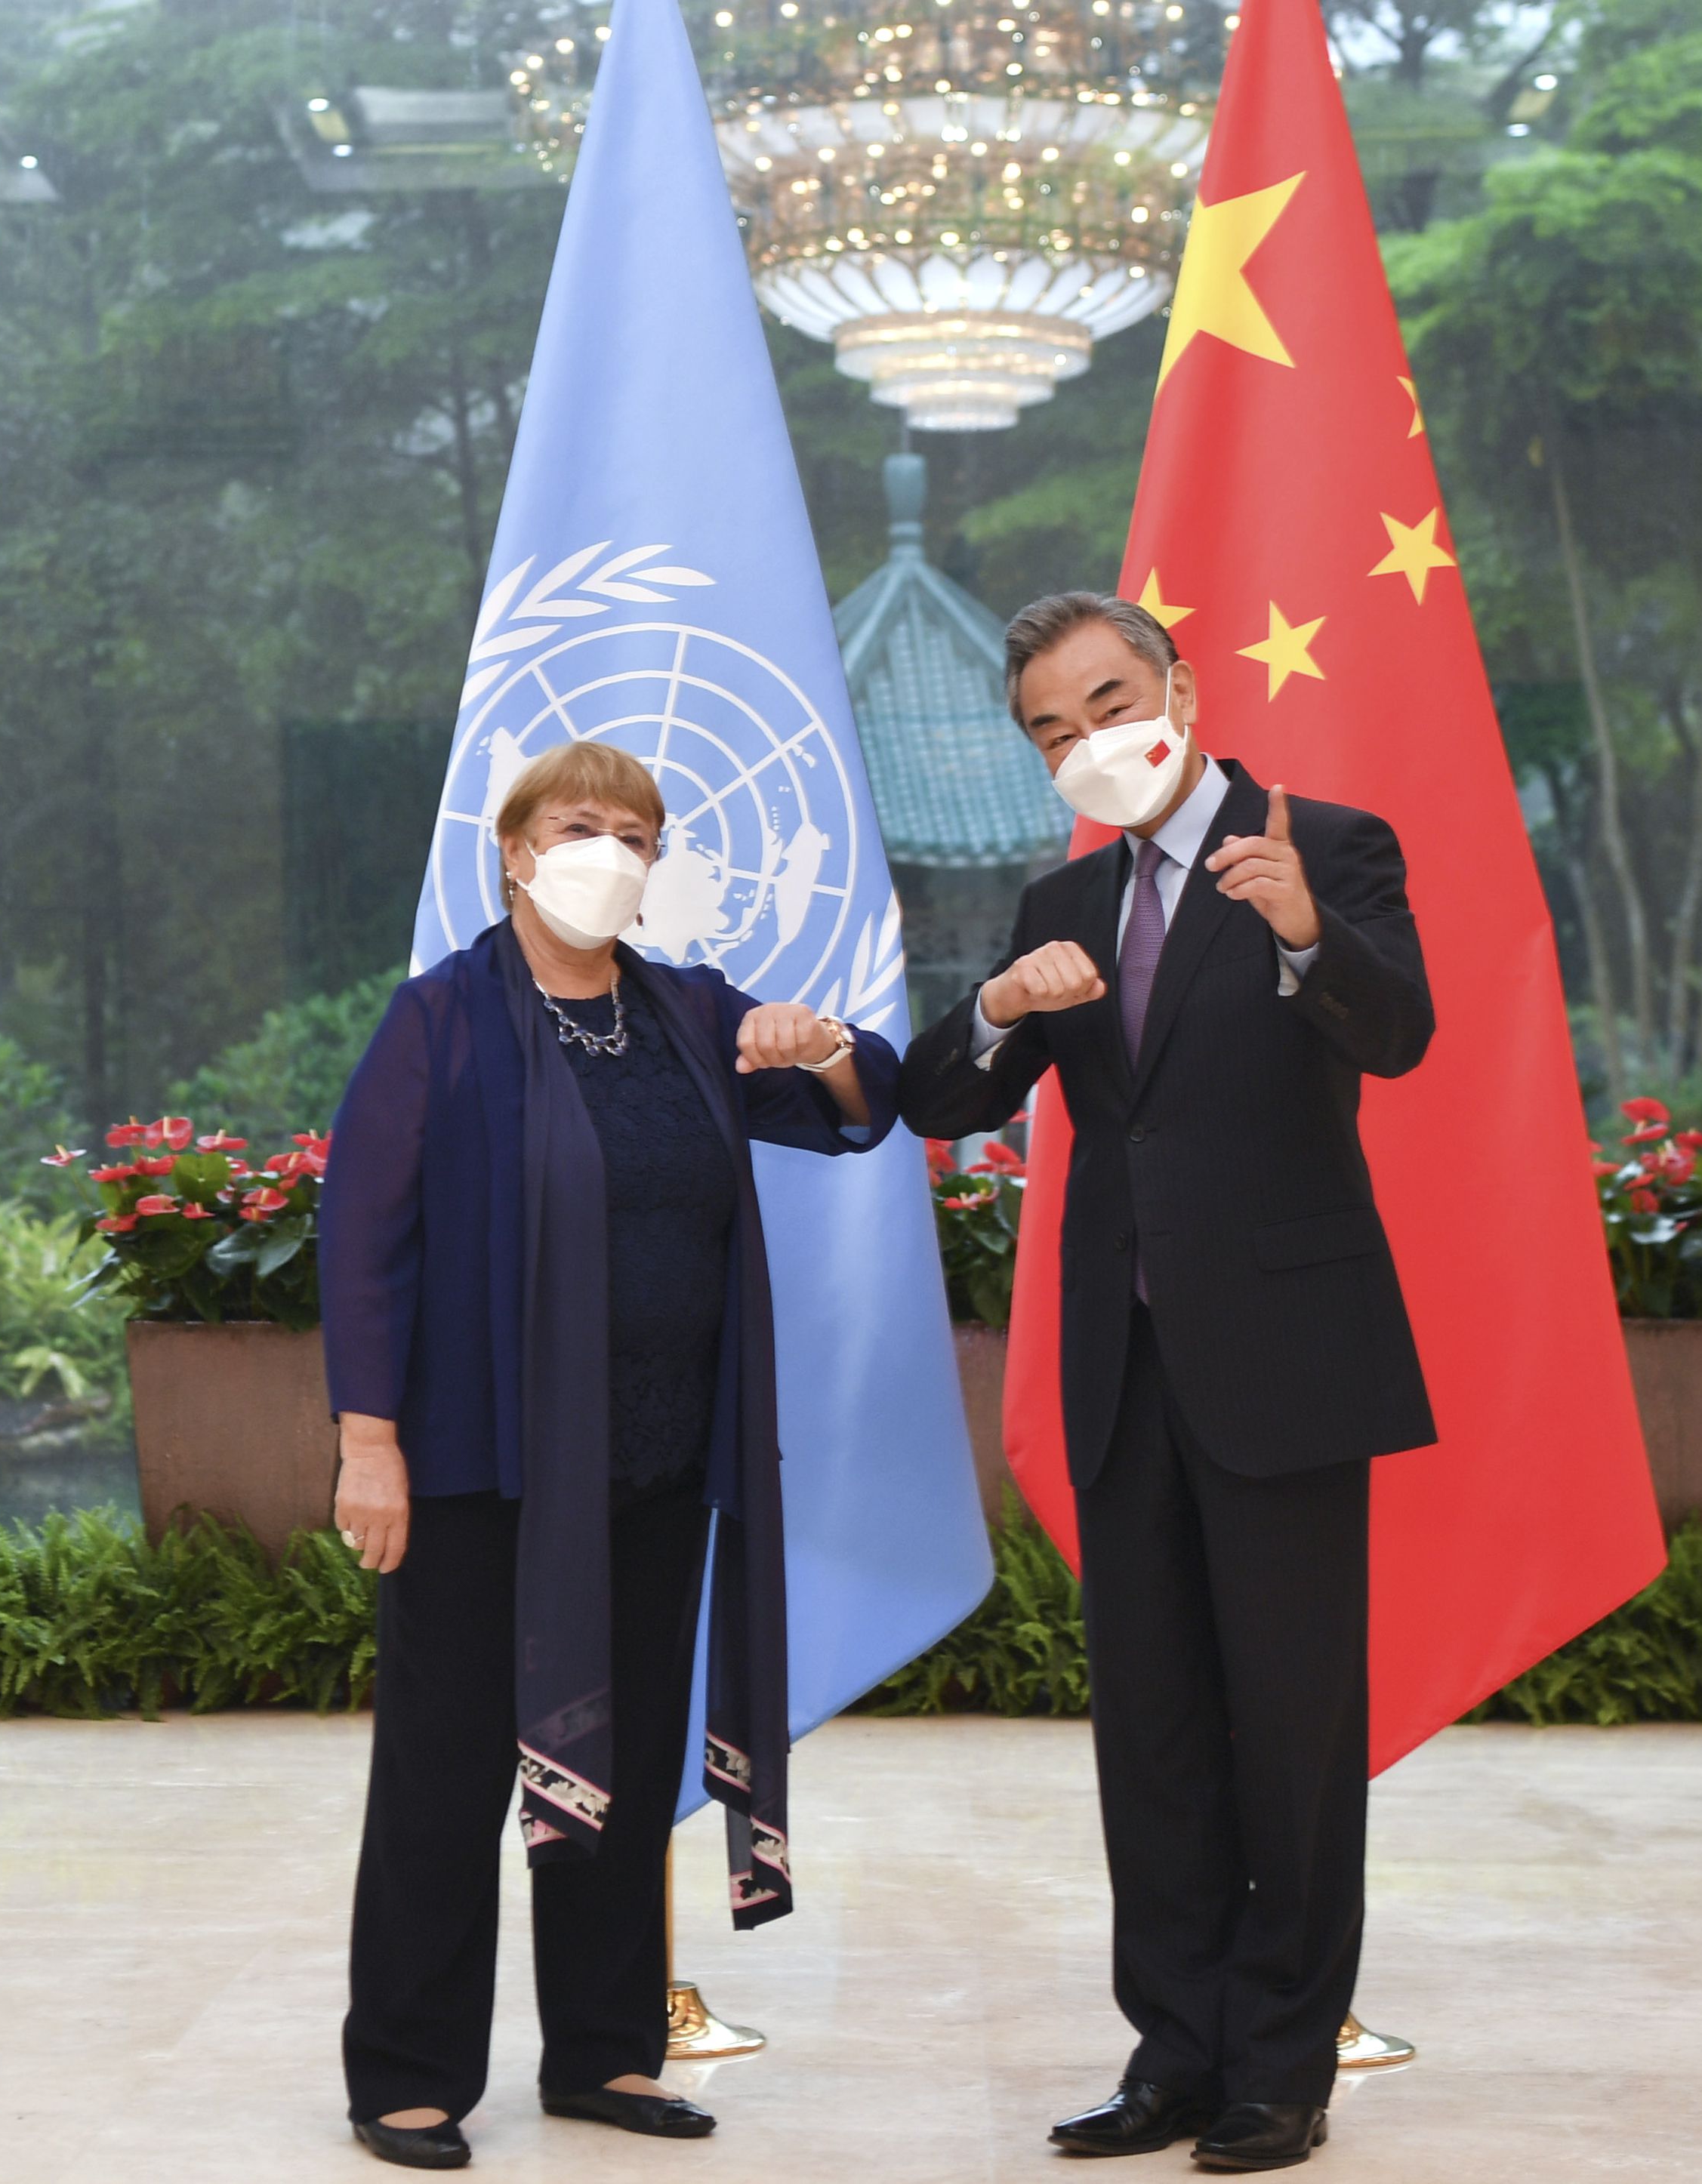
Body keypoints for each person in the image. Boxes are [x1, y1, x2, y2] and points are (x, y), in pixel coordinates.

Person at [897, 593, 1435, 2174]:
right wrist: (999, 1006)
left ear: (1180, 689)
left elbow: (1399, 1036)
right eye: (1052, 732)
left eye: (1107, 702)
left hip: (1284, 1361)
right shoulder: (1055, 893)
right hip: (1120, 1368)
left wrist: (1299, 935)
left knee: (1289, 1728)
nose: (1086, 744)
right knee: (1153, 1734)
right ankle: (1174, 2054)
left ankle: (1282, 2067)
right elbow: (941, 1094)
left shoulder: (1322, 842)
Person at [316, 739, 898, 2171]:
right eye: (581, 826)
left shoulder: (692, 1011)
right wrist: (367, 1443)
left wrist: (815, 1044)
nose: (612, 852)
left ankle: (603, 2052)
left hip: (651, 1461)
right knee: (449, 1773)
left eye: (638, 833)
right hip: (473, 1465)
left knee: (623, 1771)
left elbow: (867, 1104)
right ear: (516, 851)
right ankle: (407, 2070)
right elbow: (362, 1235)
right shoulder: (441, 1020)